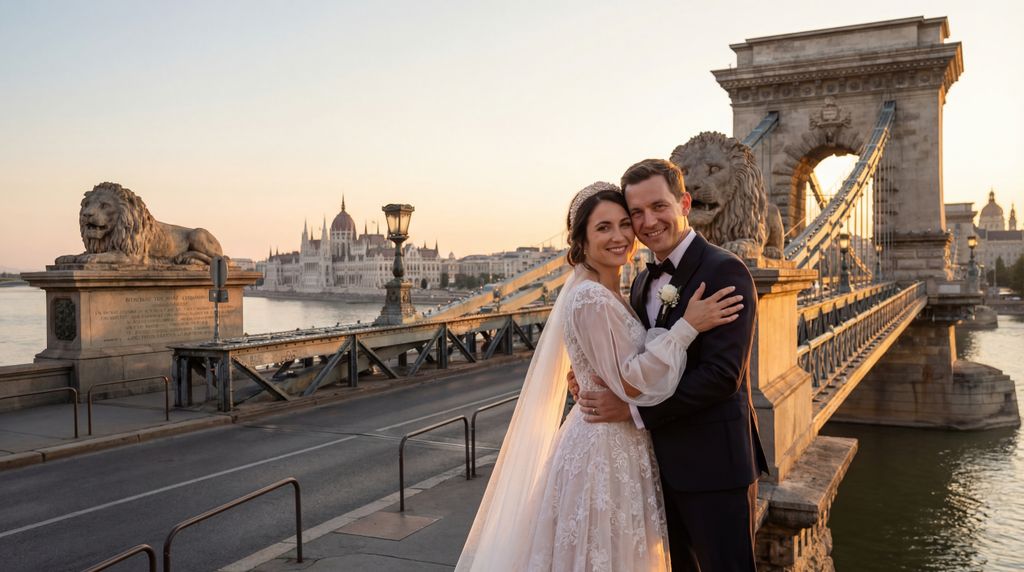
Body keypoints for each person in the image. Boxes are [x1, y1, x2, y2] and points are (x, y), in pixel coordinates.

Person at [456, 181, 744, 571]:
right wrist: (686, 326)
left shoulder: (638, 285)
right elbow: (629, 381)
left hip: (680, 454)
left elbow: (722, 374)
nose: (623, 235)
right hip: (604, 451)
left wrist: (593, 376)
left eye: (625, 223)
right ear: (581, 242)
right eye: (604, 228)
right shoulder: (592, 296)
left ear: (684, 204)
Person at [575, 159, 768, 571]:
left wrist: (632, 410)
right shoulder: (642, 281)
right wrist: (592, 372)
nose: (648, 222)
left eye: (658, 206)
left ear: (684, 203)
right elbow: (636, 357)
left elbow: (722, 377)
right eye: (636, 214)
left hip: (714, 468)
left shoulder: (724, 270)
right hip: (655, 469)